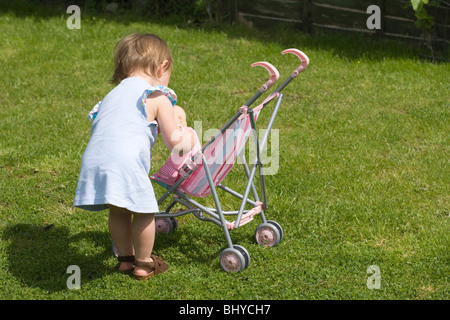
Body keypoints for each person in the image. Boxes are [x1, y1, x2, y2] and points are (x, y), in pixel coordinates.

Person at [73, 33, 195, 280]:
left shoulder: (112, 95)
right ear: (164, 67)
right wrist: (188, 138)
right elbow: (175, 143)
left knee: (118, 210)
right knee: (143, 211)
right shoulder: (156, 95)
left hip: (95, 159)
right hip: (125, 161)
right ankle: (143, 263)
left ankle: (125, 260)